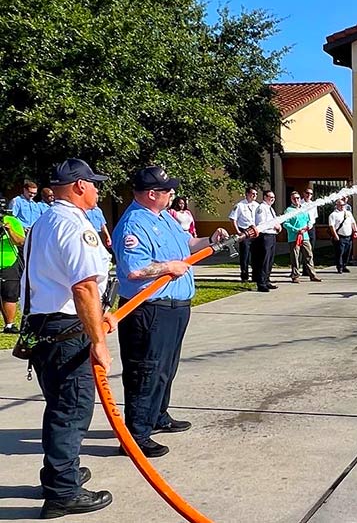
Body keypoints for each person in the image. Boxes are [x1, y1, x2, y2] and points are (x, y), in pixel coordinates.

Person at [113, 166, 232, 458]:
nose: (172, 194)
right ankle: (136, 435)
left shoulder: (164, 216)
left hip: (174, 307)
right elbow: (134, 269)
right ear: (152, 194)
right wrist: (168, 267)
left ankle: (157, 415)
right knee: (146, 370)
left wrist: (211, 240)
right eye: (167, 190)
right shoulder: (133, 224)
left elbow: (187, 245)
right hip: (149, 309)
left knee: (165, 368)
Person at [21, 159, 116, 518]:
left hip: (45, 327)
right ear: (79, 186)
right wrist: (99, 341)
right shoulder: (74, 225)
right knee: (71, 410)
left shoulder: (44, 221)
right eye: (94, 184)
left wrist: (100, 314)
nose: (97, 190)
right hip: (67, 331)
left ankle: (58, 474)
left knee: (59, 406)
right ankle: (63, 491)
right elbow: (83, 287)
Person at [283, 191, 321, 283]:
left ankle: (312, 275)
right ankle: (295, 275)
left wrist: (308, 226)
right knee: (295, 257)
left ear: (300, 199)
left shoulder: (304, 209)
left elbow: (309, 220)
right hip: (294, 237)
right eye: (294, 198)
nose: (296, 200)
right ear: (291, 200)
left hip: (305, 236)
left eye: (298, 198)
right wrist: (296, 229)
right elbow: (285, 224)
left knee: (309, 255)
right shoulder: (288, 210)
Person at [1, 203, 25, 334]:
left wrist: (9, 230)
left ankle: (9, 324)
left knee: (10, 295)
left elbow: (20, 241)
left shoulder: (12, 221)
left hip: (9, 262)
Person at [251, 190, 281, 292]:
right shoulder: (261, 208)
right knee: (263, 260)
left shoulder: (270, 208)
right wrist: (274, 226)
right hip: (265, 236)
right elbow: (261, 223)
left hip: (272, 235)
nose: (272, 199)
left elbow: (275, 221)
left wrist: (278, 227)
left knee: (270, 260)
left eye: (273, 197)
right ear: (264, 197)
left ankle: (266, 280)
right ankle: (261, 283)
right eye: (270, 197)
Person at [228, 187, 258, 282]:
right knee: (245, 254)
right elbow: (233, 219)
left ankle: (255, 275)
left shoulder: (257, 205)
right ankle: (244, 275)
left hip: (255, 232)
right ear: (247, 194)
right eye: (253, 194)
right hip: (244, 231)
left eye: (256, 194)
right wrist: (238, 232)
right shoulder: (240, 205)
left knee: (255, 254)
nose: (255, 196)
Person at [328, 199, 357, 274]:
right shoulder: (333, 214)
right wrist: (335, 235)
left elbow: (353, 223)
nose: (342, 206)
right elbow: (331, 226)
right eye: (340, 205)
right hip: (340, 236)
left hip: (348, 236)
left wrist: (355, 231)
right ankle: (339, 267)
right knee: (339, 253)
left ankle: (344, 265)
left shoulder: (348, 213)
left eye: (343, 205)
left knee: (347, 252)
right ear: (337, 205)